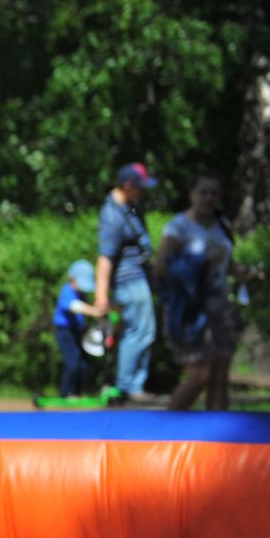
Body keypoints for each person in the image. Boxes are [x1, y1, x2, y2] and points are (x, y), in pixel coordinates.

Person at [155, 174, 237, 411]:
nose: (209, 198)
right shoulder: (178, 227)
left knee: (220, 373)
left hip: (220, 306)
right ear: (192, 194)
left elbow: (228, 266)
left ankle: (221, 439)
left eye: (215, 193)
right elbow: (162, 267)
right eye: (204, 192)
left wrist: (246, 272)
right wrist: (200, 261)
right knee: (200, 373)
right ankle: (165, 432)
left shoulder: (223, 225)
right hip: (190, 309)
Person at [93, 162, 158, 405]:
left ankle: (133, 384)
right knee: (139, 331)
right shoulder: (113, 214)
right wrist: (101, 295)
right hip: (128, 280)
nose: (143, 192)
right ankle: (128, 386)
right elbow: (105, 257)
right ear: (127, 185)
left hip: (138, 278)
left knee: (144, 330)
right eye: (140, 187)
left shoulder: (130, 208)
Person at [51, 259, 102, 399]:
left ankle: (78, 393)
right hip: (64, 331)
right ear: (71, 279)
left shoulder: (81, 294)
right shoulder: (66, 292)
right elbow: (75, 306)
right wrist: (93, 311)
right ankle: (66, 393)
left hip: (77, 331)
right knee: (72, 363)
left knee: (82, 365)